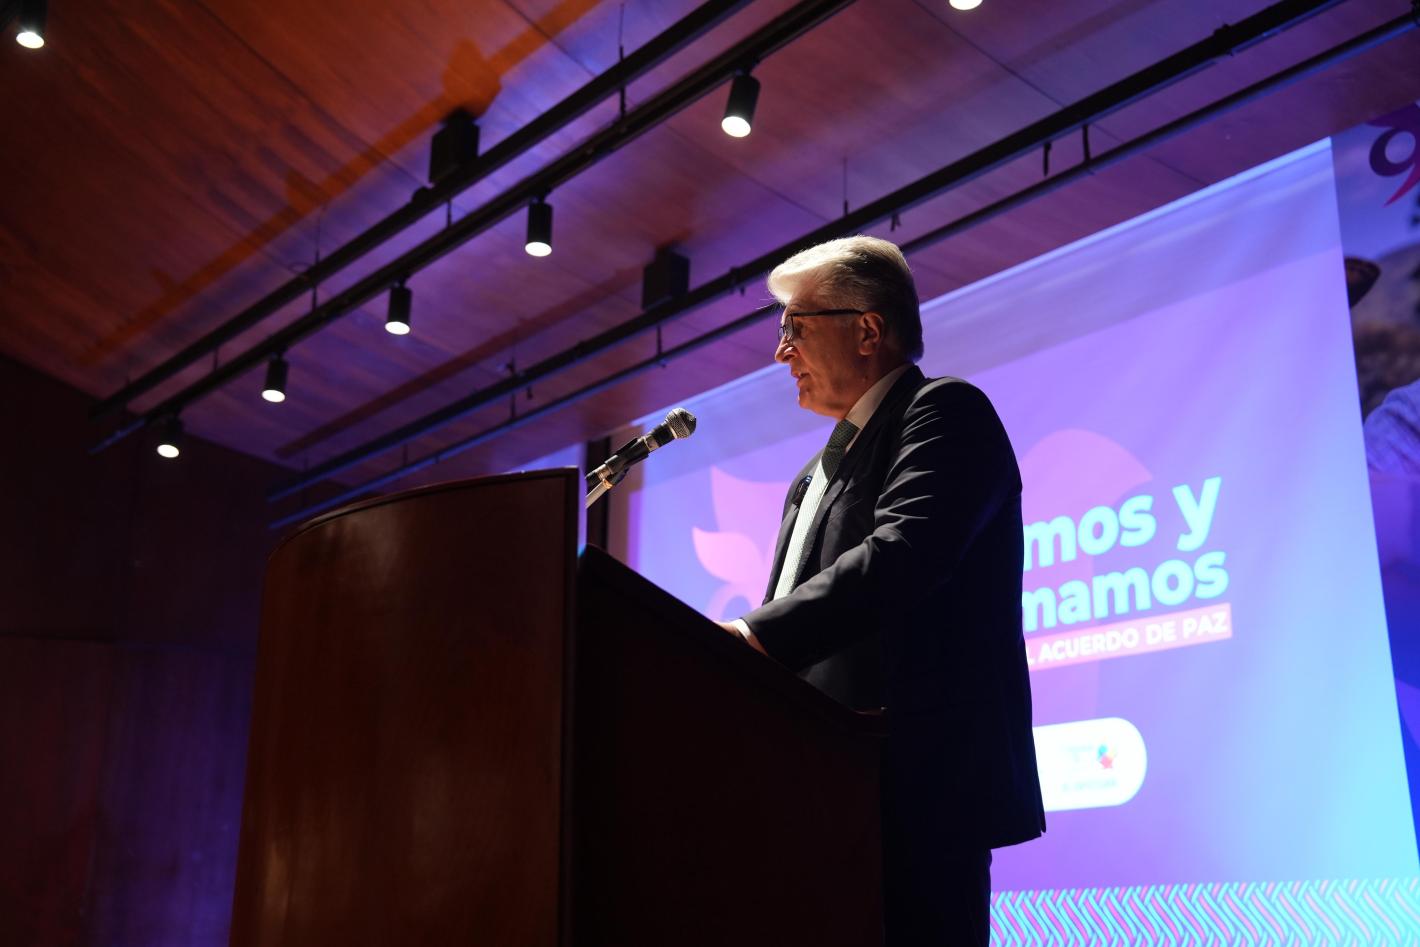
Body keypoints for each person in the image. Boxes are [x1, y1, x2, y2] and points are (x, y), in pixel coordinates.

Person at [718, 235, 1045, 946]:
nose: (781, 353)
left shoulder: (945, 412)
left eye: (794, 328)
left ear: (867, 327)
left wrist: (751, 635)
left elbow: (905, 554)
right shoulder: (810, 477)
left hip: (912, 793)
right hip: (814, 796)